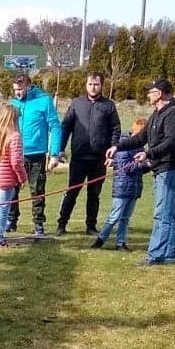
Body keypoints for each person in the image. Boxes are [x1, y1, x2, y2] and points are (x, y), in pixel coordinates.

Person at [113, 78, 175, 266]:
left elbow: (172, 142)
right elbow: (140, 138)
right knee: (167, 213)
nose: (147, 95)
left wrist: (148, 153)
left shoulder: (174, 113)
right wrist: (118, 147)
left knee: (161, 214)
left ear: (160, 93)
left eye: (150, 91)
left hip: (169, 169)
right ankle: (169, 255)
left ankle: (155, 255)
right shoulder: (156, 114)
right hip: (161, 169)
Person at [56, 72, 122, 236]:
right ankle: (61, 224)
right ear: (86, 85)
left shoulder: (109, 105)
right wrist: (60, 148)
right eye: (90, 84)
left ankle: (91, 226)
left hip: (98, 158)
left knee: (94, 194)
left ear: (101, 86)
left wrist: (112, 149)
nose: (93, 87)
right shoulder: (76, 104)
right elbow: (65, 127)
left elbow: (115, 129)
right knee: (72, 192)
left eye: (96, 84)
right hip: (78, 157)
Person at [7, 72, 61, 237]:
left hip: (36, 154)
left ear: (29, 86)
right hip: (16, 153)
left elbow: (55, 127)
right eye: (15, 89)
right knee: (12, 190)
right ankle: (11, 220)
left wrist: (54, 154)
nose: (17, 92)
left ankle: (38, 224)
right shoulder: (13, 103)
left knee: (37, 191)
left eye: (20, 89)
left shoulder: (44, 101)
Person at [91, 118, 149, 251]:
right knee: (115, 216)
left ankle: (120, 242)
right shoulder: (124, 144)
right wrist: (142, 164)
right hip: (122, 186)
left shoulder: (140, 147)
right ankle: (101, 239)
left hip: (134, 187)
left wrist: (148, 166)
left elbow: (140, 168)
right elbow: (124, 167)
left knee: (125, 218)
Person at [0, 103, 27, 249]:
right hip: (6, 175)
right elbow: (16, 162)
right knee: (5, 207)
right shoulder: (14, 136)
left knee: (3, 199)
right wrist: (23, 178)